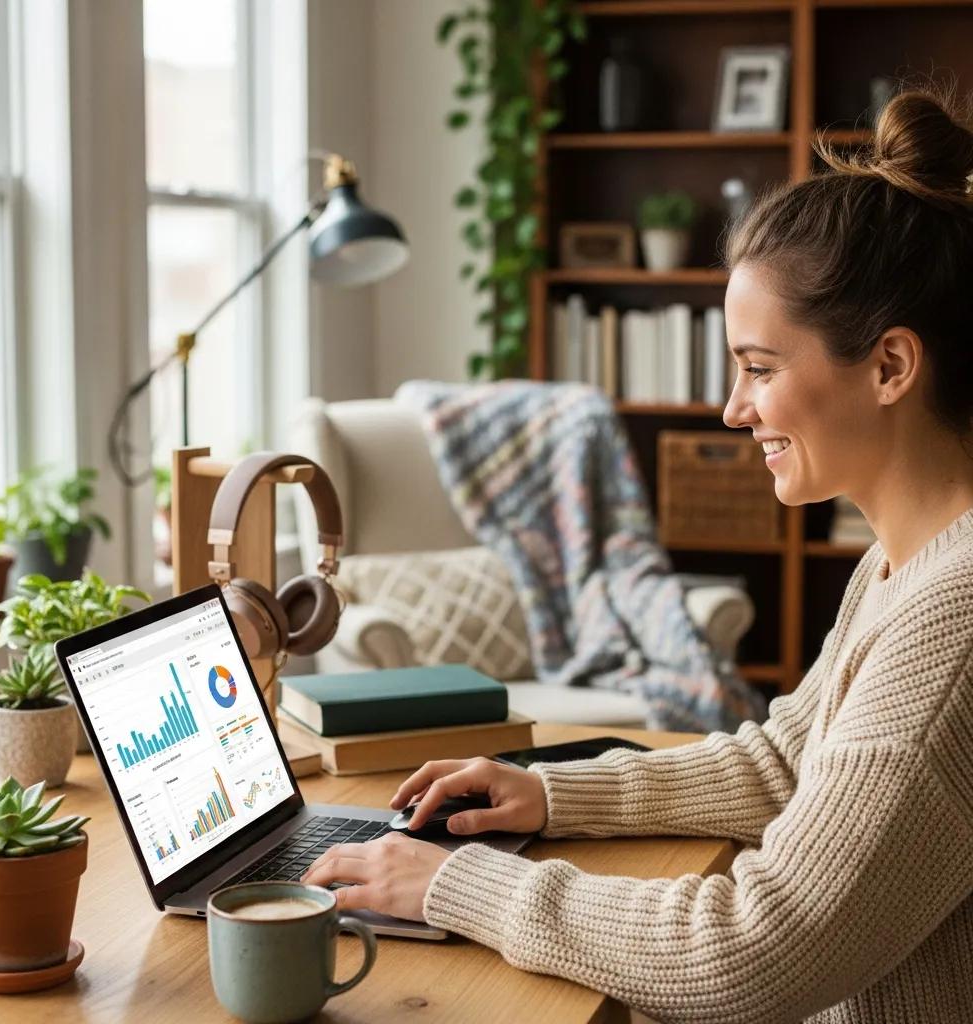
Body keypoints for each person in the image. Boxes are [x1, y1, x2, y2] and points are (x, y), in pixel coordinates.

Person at [303, 87, 973, 1023]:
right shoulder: (905, 564)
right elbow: (789, 764)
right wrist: (547, 795)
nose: (736, 408)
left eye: (761, 367)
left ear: (891, 367)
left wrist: (457, 886)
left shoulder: (954, 622)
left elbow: (753, 948)